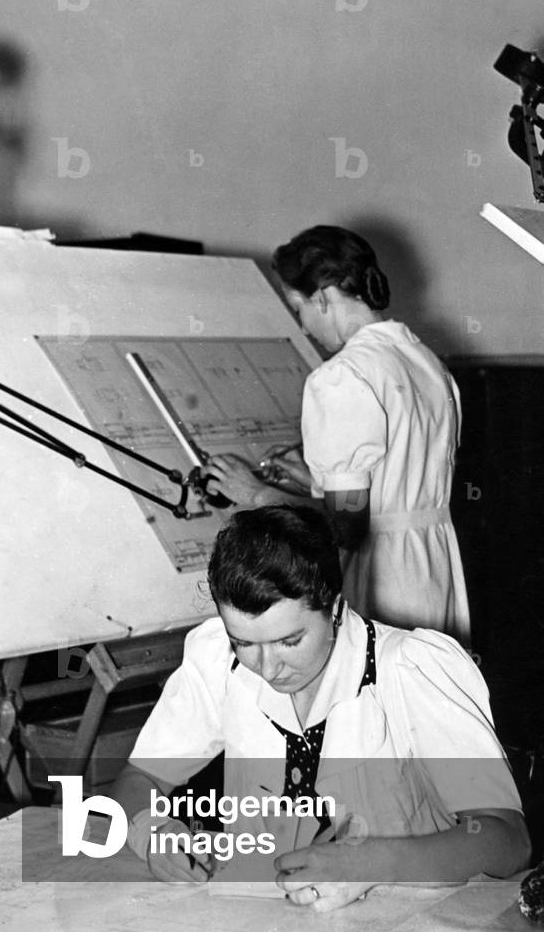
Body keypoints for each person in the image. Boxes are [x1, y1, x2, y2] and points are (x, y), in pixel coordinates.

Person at [111, 506, 528, 913]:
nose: (267, 668)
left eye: (289, 641)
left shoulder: (410, 669)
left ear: (336, 610)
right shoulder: (216, 657)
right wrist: (154, 832)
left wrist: (371, 863)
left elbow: (508, 841)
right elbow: (140, 777)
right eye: (244, 643)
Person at [203, 225, 470, 645]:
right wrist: (316, 480)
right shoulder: (425, 361)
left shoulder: (342, 376)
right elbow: (392, 481)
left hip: (383, 577)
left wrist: (254, 493)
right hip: (435, 567)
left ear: (323, 297)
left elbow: (346, 527)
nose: (304, 326)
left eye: (298, 308)